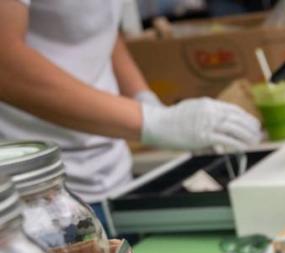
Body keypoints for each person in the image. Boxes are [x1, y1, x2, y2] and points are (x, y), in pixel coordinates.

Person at [0, 0, 261, 217]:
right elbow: (6, 65)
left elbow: (99, 31)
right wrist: (152, 122)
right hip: (35, 199)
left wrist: (143, 98)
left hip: (113, 177)